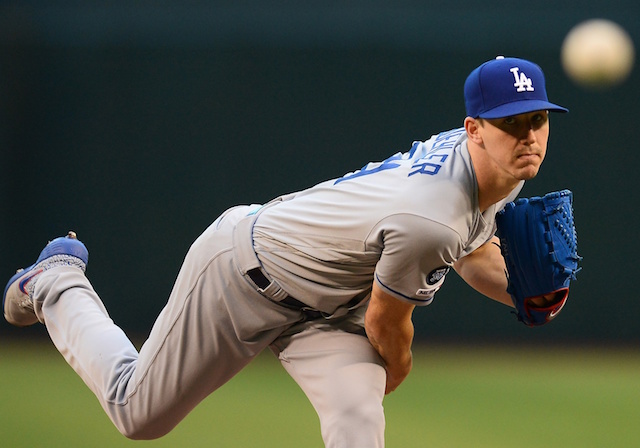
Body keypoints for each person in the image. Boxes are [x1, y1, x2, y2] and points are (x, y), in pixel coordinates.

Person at [3, 56, 568, 447]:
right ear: (472, 128)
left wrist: (524, 290)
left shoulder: (499, 168)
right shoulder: (429, 216)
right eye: (510, 124)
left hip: (330, 305)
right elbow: (387, 322)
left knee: (356, 414)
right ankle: (58, 280)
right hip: (243, 273)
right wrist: (395, 367)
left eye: (538, 119)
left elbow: (472, 250)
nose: (529, 136)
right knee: (137, 414)